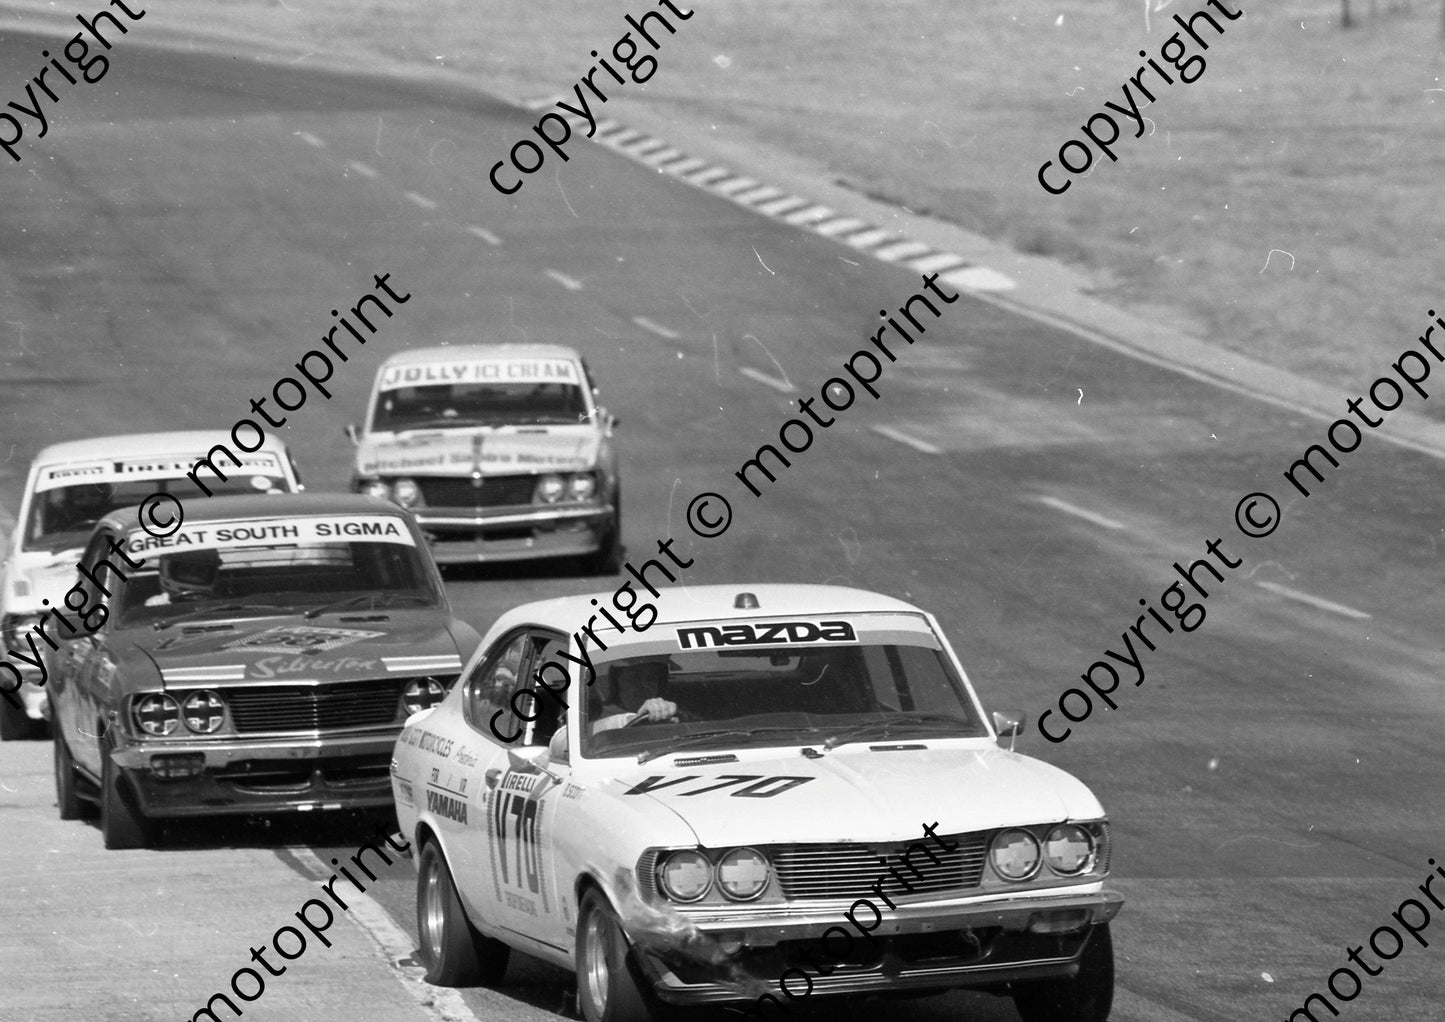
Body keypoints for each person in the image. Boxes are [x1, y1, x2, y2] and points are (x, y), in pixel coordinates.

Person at [590, 660, 677, 735]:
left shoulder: (668, 715)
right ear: (618, 683)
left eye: (650, 679)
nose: (644, 686)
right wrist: (635, 719)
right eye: (634, 677)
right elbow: (593, 730)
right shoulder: (600, 716)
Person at [144, 548, 222, 606]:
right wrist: (158, 610)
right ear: (166, 569)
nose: (193, 576)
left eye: (200, 571)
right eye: (186, 570)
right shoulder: (157, 604)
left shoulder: (220, 605)